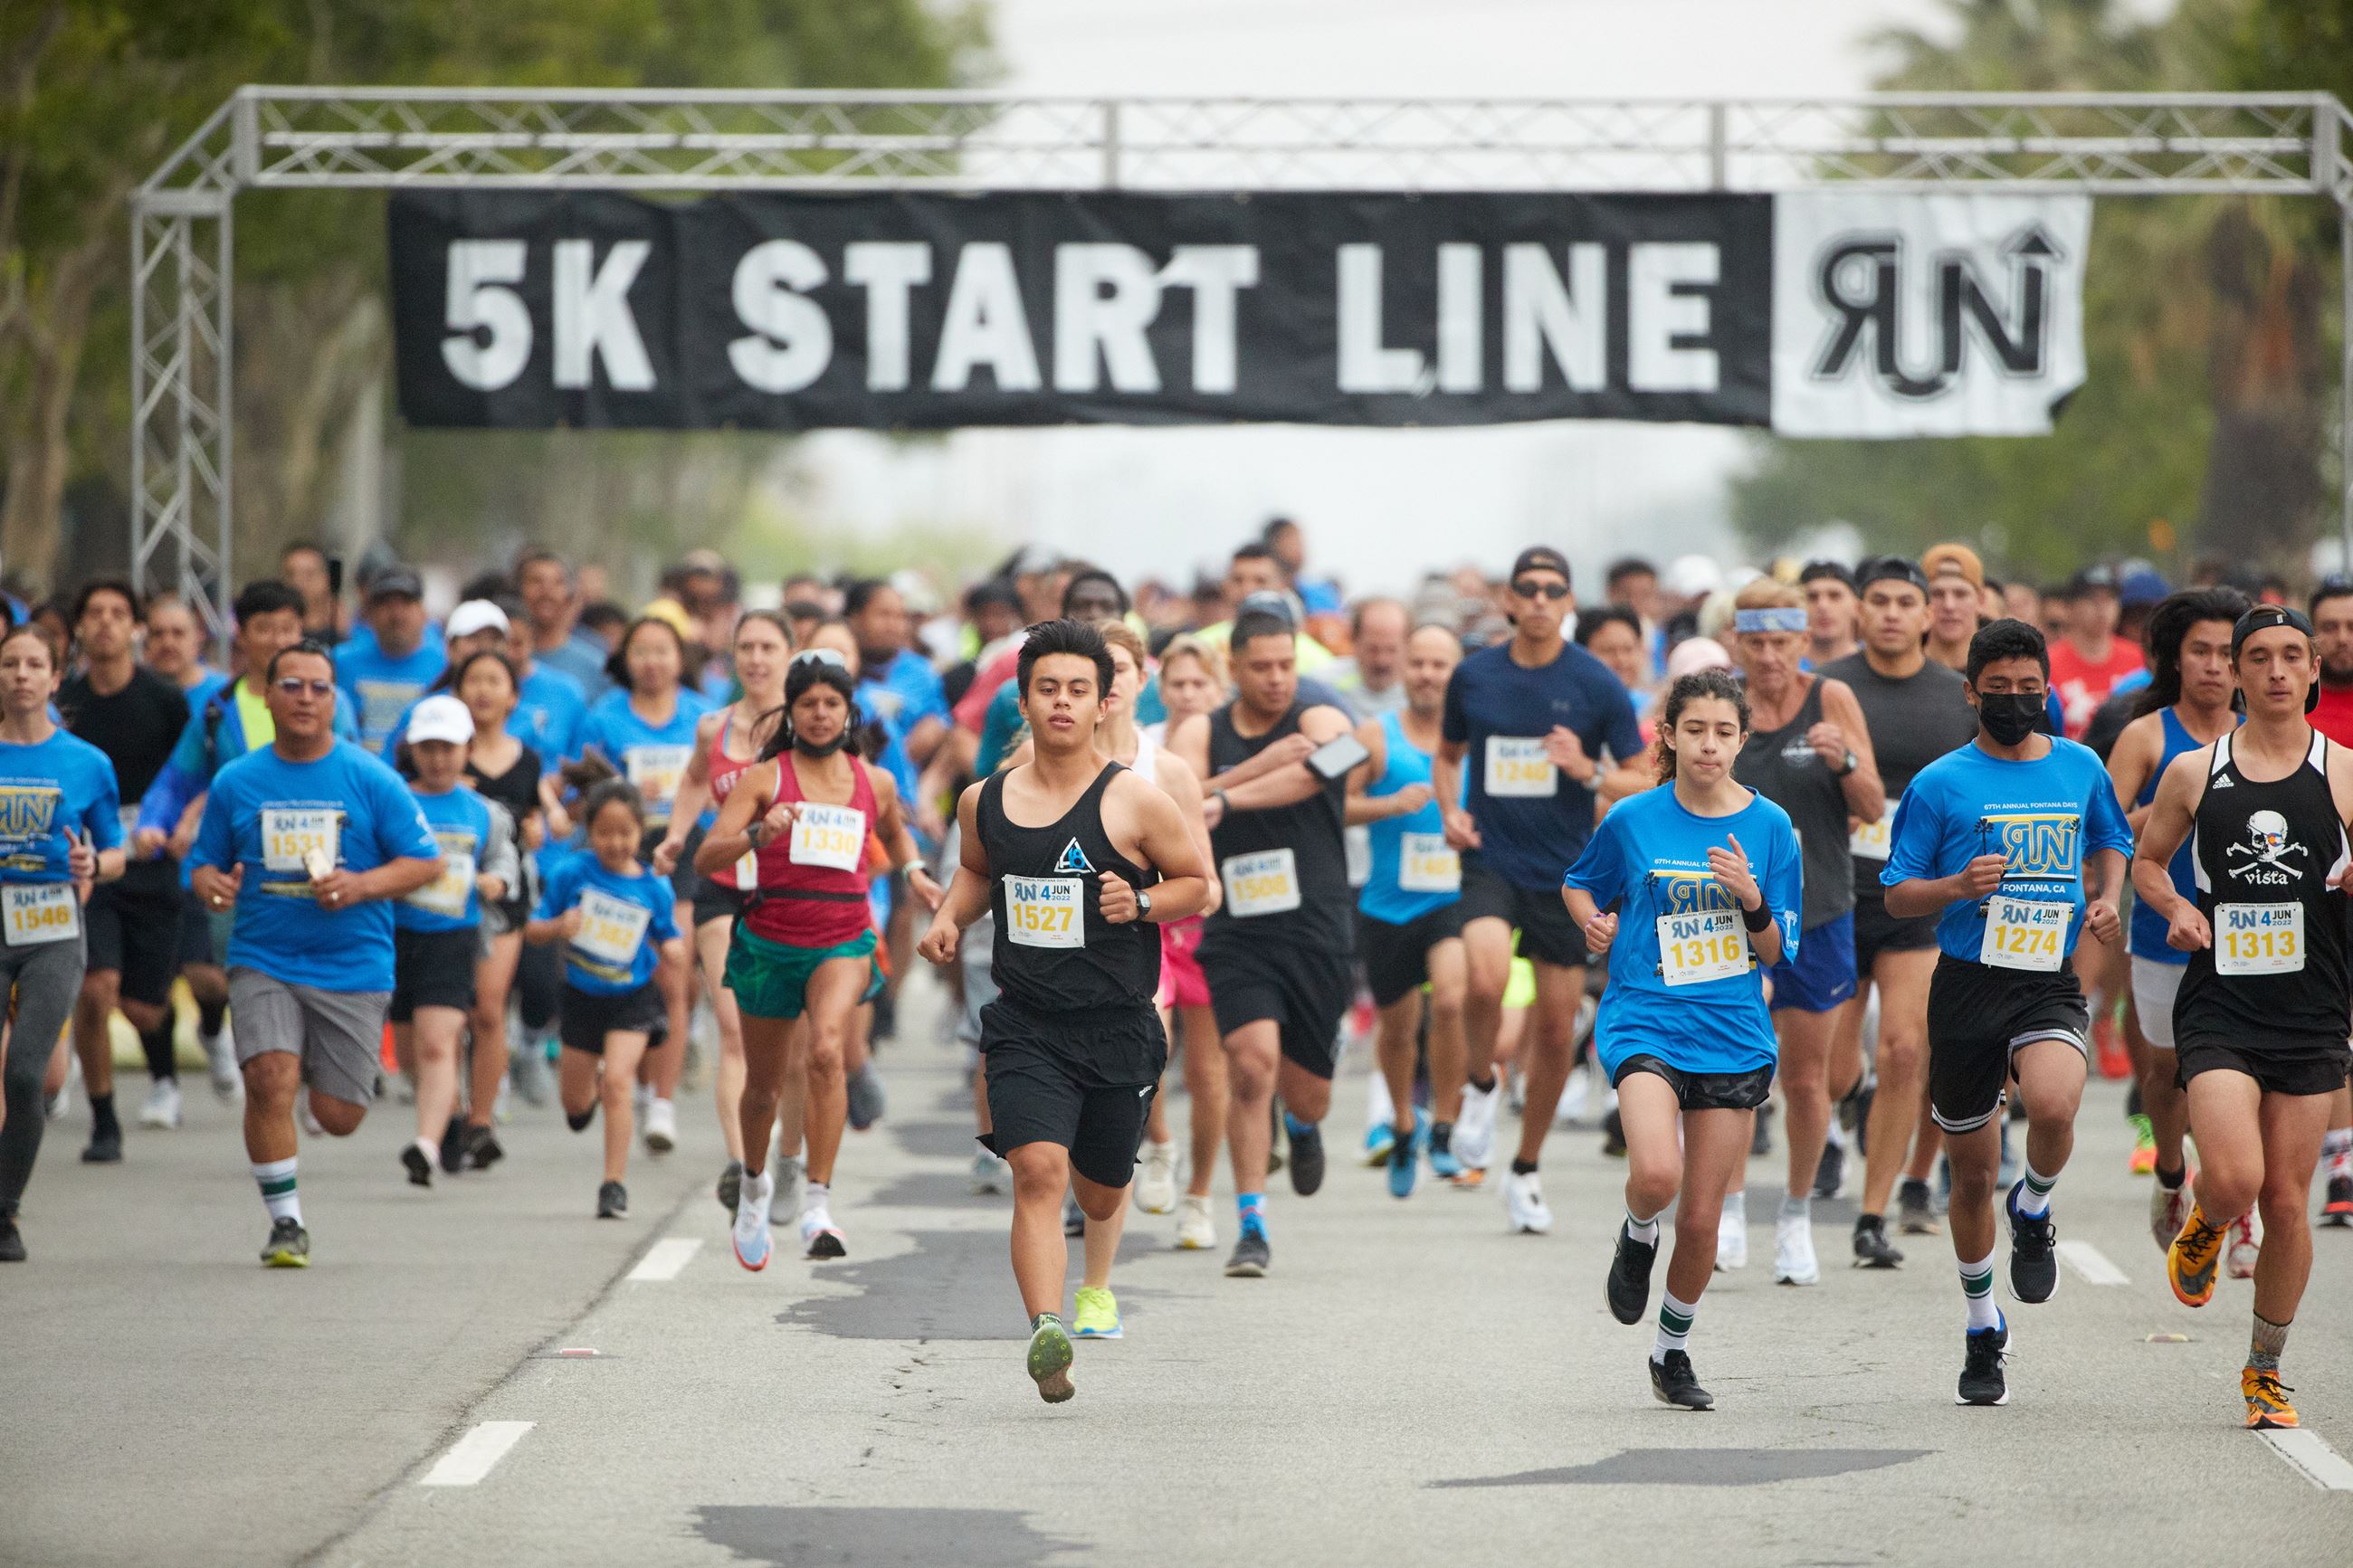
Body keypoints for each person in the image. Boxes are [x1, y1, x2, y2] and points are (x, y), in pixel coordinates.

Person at [919, 619, 1211, 1396]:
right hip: (1027, 1022)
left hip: (1117, 1023)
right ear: (1022, 698)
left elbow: (1196, 885)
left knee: (1100, 1187)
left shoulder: (1134, 802)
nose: (1061, 702)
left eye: (1077, 689)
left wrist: (1141, 900)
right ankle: (1048, 1329)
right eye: (1047, 687)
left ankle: (1098, 1239)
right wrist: (949, 918)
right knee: (1037, 1172)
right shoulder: (984, 801)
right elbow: (979, 874)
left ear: (1101, 701)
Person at [1882, 618, 2131, 1406]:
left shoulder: (2079, 764)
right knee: (1970, 1172)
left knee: (2055, 1102)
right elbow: (1896, 892)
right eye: (2002, 692)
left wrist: (2106, 898)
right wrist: (1957, 886)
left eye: (2032, 689)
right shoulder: (1940, 783)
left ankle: (2035, 1206)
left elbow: (2112, 837)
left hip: (2044, 976)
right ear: (1972, 694)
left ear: (2048, 688)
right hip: (1965, 980)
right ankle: (1982, 1325)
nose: (2020, 702)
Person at [2133, 603, 2353, 1430]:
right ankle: (2208, 1220)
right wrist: (2178, 910)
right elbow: (2148, 863)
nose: (2274, 670)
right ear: (2236, 669)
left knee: (2290, 1202)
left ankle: (2265, 1369)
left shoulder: (2342, 770)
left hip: (2313, 1005)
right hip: (2222, 999)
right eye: (2255, 656)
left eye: (2290, 655)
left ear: (2312, 670)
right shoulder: (2196, 770)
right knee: (2236, 1176)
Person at [1567, 669, 1803, 1410]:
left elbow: (1776, 952)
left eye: (1724, 732)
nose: (1709, 744)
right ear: (1668, 735)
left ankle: (1672, 1350)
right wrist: (1592, 921)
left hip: (1732, 1033)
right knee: (1659, 1174)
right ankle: (1638, 1230)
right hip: (1644, 1017)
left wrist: (1752, 895)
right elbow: (1581, 882)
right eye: (1695, 729)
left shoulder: (1771, 829)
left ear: (1742, 739)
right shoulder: (1634, 819)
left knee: (1702, 1218)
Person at [187, 639, 443, 1266]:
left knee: (339, 1114)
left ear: (337, 700)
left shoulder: (370, 776)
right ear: (267, 694)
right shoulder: (237, 780)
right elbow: (201, 864)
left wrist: (361, 885)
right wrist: (212, 886)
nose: (305, 698)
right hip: (264, 956)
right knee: (268, 1078)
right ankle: (286, 1223)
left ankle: (319, 1078)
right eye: (292, 685)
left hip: (352, 964)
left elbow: (426, 861)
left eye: (319, 688)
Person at [1432, 546, 1648, 1231]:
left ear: (1568, 601)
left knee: (1557, 1028)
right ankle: (1480, 1083)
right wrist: (1450, 810)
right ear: (1507, 599)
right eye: (1527, 588)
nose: (1538, 600)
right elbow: (1448, 755)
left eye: (1553, 589)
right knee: (1485, 981)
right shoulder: (1474, 676)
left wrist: (1585, 768)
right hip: (1490, 858)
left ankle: (1525, 1167)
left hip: (1568, 870)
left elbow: (1643, 777)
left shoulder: (1594, 682)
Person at [700, 649, 938, 1265]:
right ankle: (755, 1188)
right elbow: (707, 856)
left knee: (828, 1049)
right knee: (763, 1086)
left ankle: (817, 1204)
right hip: (770, 938)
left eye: (833, 703)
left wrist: (913, 869)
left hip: (843, 935)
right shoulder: (765, 778)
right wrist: (760, 832)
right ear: (793, 711)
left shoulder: (874, 779)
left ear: (849, 711)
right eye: (809, 703)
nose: (821, 714)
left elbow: (895, 826)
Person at [1167, 607, 1356, 1278]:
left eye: (1287, 665)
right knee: (1249, 1066)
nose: (1277, 679)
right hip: (1237, 927)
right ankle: (1252, 1223)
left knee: (1307, 1094)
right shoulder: (1202, 728)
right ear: (1234, 668)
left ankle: (1302, 1128)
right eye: (1262, 667)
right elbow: (1178, 793)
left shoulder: (1320, 716)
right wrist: (1248, 771)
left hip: (1316, 925)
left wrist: (1230, 797)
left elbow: (1326, 768)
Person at [1821, 557, 1981, 1263]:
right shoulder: (1830, 688)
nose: (1891, 612)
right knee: (1828, 1070)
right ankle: (1852, 1097)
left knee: (1907, 1047)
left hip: (1917, 895)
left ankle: (1873, 1213)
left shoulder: (1956, 696)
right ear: (1862, 611)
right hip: (1836, 888)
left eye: (1904, 602)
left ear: (1926, 616)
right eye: (1878, 600)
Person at [1723, 578, 1883, 1283]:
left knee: (1807, 1075)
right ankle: (1727, 1207)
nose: (1768, 657)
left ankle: (1794, 1214)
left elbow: (1873, 802)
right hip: (1728, 915)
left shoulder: (1833, 699)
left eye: (1780, 642)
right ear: (1738, 641)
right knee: (1731, 1067)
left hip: (1817, 908)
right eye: (1755, 642)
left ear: (1802, 640)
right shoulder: (1720, 703)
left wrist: (1842, 760)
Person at [2103, 590, 2250, 1257]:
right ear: (2175, 658)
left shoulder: (2263, 734)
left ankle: (2238, 1204)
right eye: (2201, 651)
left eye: (2227, 652)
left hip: (2248, 933)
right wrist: (2169, 808)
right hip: (2164, 928)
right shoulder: (2148, 735)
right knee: (2166, 1073)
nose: (2215, 666)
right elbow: (2100, 826)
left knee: (2243, 1068)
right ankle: (2170, 1166)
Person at [0, 624, 129, 1261]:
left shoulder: (86, 762)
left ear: (55, 679)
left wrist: (93, 868)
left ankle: (6, 1207)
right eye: (9, 664)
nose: (21, 675)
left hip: (53, 928)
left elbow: (116, 852)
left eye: (34, 665)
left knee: (27, 1073)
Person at [656, 611, 792, 1213]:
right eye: (746, 647)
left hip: (789, 891)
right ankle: (745, 1166)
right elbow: (692, 782)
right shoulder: (713, 726)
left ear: (790, 653)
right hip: (722, 885)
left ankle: (779, 1143)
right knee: (732, 1025)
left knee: (781, 1032)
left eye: (768, 646)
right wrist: (675, 834)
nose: (756, 658)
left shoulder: (806, 725)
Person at [59, 581, 195, 1154]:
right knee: (96, 990)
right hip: (87, 861)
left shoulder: (165, 701)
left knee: (142, 1006)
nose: (107, 623)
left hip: (150, 860)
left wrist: (183, 824)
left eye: (119, 614)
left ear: (135, 628)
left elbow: (193, 775)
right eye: (95, 613)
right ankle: (104, 1117)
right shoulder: (63, 701)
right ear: (81, 629)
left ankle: (165, 1077)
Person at [576, 615, 711, 1153]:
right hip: (620, 855)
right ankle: (626, 1075)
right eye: (641, 651)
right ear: (625, 660)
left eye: (663, 651)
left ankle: (662, 1101)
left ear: (680, 659)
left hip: (684, 850)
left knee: (674, 971)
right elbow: (583, 792)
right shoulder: (603, 717)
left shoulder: (703, 717)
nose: (652, 662)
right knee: (629, 969)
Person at [1345, 622, 1468, 1198]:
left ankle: (1444, 1127)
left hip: (1452, 900)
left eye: (1439, 665)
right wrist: (1388, 803)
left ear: (1457, 672)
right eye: (1418, 663)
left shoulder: (1477, 740)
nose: (1427, 675)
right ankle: (1401, 1122)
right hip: (1387, 906)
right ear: (1403, 669)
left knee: (1449, 1000)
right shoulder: (1371, 734)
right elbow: (1330, 802)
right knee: (1398, 1031)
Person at [527, 780, 686, 1219]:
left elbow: (669, 935)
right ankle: (586, 1099)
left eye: (626, 833)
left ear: (640, 833)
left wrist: (674, 950)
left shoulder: (653, 886)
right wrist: (559, 926)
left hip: (632, 999)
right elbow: (533, 929)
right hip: (580, 997)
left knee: (618, 1081)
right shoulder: (570, 874)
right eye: (604, 833)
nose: (615, 843)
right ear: (589, 832)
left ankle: (613, 1184)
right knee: (575, 1104)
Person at [388, 695, 516, 1184]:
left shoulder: (484, 811)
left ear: (467, 749)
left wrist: (497, 883)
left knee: (440, 1042)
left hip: (453, 938)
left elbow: (503, 858)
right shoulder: (394, 798)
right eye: (428, 748)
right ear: (413, 750)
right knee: (408, 1051)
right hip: (397, 934)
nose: (439, 758)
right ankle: (447, 1117)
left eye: (449, 748)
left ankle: (424, 1143)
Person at [1148, 634, 1231, 1251]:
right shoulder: (1142, 745)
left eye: (1199, 683)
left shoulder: (1229, 746)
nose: (1187, 694)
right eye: (1177, 683)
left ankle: (1201, 1194)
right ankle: (1159, 1145)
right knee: (1150, 1039)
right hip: (1153, 914)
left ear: (1218, 688)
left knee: (1207, 1069)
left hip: (1214, 919)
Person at [448, 650, 544, 1156]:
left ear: (513, 696)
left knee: (488, 1008)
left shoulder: (527, 759)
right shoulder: (440, 754)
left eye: (495, 681)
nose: (483, 690)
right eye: (474, 680)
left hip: (505, 897)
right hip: (442, 896)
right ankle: (444, 1112)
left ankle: (480, 1121)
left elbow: (537, 820)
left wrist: (538, 828)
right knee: (448, 1012)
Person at [2297, 577, 2353, 1227]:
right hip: (2313, 891)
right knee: (2338, 1028)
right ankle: (2341, 1164)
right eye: (2329, 626)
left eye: (2351, 625)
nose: (2342, 637)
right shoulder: (2292, 709)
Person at [336, 565, 446, 753]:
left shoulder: (445, 665)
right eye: (386, 604)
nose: (397, 615)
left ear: (423, 612)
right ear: (369, 613)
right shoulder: (340, 663)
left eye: (406, 603)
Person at [2048, 565, 2145, 741]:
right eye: (2092, 599)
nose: (2102, 608)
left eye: (2109, 599)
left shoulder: (2139, 659)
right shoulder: (2049, 662)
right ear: (2069, 607)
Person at [516, 549, 614, 699]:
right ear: (518, 590)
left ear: (571, 595)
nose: (546, 592)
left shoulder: (596, 667)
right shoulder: (501, 661)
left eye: (557, 583)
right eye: (536, 581)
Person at [1329, 598, 1409, 718]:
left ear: (1408, 645)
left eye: (1391, 650)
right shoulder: (1326, 685)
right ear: (1354, 642)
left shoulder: (1423, 689)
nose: (1382, 660)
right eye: (1373, 649)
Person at [1920, 544, 1986, 673]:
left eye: (1960, 594)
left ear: (1981, 601)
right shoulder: (1901, 671)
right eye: (1937, 594)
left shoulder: (2001, 673)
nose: (1949, 606)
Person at [1799, 559, 1861, 668]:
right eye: (1812, 597)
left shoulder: (1879, 664)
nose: (1823, 606)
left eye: (1834, 596)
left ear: (1857, 607)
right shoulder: (1786, 669)